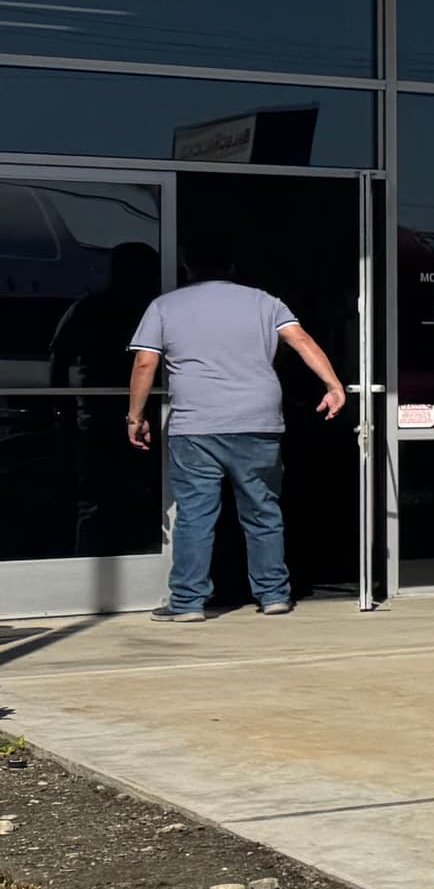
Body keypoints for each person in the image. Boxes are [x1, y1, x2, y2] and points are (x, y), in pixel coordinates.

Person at [124, 250, 347, 622]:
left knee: (195, 517)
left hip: (197, 425)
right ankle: (273, 595)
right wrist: (333, 384)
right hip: (258, 421)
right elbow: (302, 341)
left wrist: (135, 416)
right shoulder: (265, 302)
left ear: (187, 267)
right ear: (231, 267)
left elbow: (145, 362)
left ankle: (187, 603)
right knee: (262, 511)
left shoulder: (165, 306)